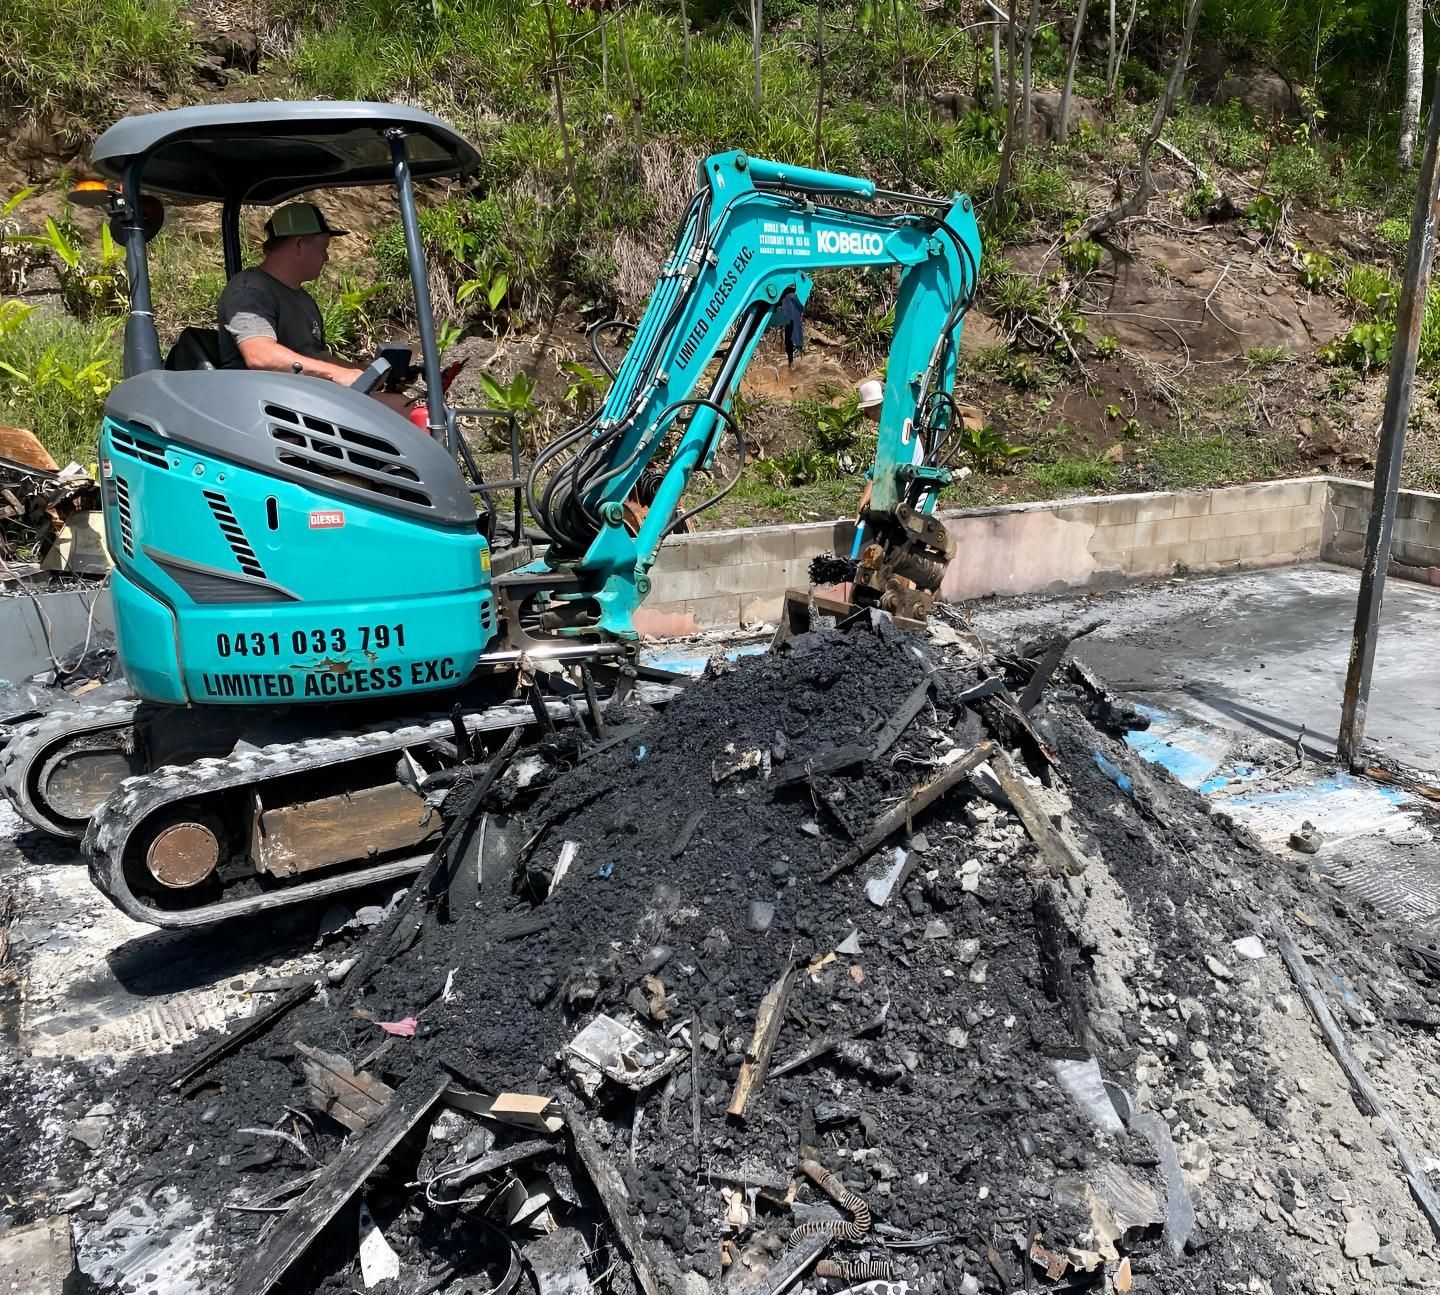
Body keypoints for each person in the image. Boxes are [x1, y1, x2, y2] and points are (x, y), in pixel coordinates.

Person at [218, 202, 413, 413]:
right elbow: (259, 355)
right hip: (267, 409)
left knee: (405, 403)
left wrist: (362, 371)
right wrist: (336, 374)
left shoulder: (301, 298)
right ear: (299, 244)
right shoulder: (251, 291)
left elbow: (315, 356)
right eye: (324, 248)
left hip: (305, 401)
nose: (327, 258)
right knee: (406, 410)